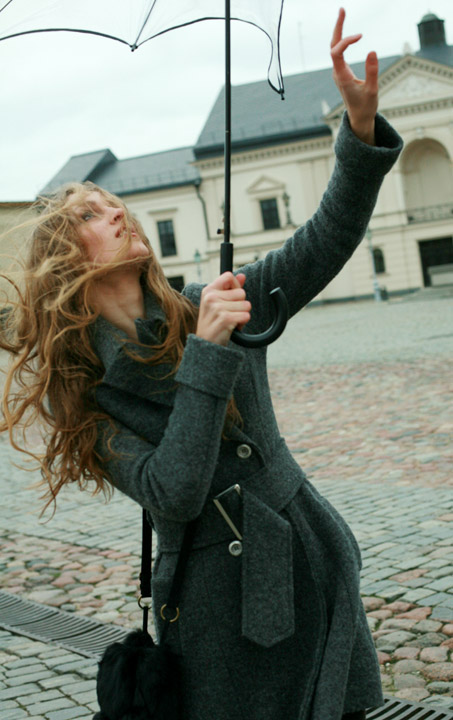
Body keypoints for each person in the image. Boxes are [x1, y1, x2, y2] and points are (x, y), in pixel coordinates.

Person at [1, 9, 403, 720]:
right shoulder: (85, 394)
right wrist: (209, 353)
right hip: (220, 609)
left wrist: (360, 129)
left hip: (307, 556)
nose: (117, 212)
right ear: (66, 260)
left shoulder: (210, 301)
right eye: (93, 214)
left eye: (112, 202)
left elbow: (325, 238)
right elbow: (175, 490)